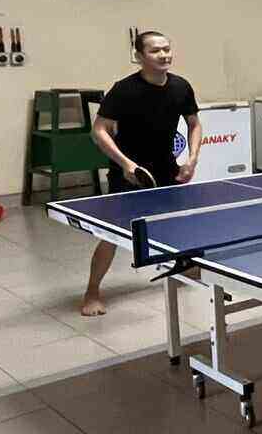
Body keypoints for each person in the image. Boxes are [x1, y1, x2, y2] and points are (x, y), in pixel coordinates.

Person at [82, 29, 201, 315]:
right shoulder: (124, 90)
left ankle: (190, 271)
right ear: (139, 57)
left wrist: (192, 159)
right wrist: (125, 163)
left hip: (165, 169)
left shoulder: (181, 87)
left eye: (167, 49)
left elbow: (194, 124)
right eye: (155, 50)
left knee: (179, 223)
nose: (164, 55)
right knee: (112, 234)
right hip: (129, 172)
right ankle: (92, 292)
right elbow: (98, 130)